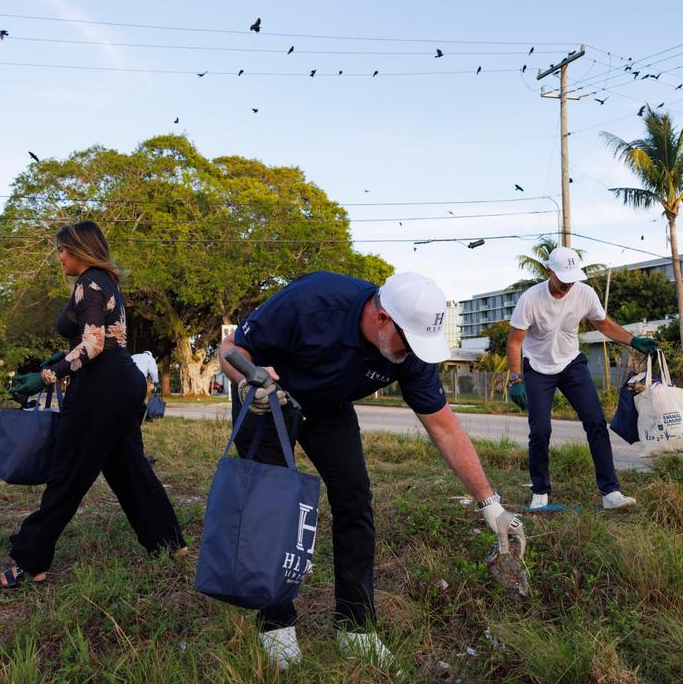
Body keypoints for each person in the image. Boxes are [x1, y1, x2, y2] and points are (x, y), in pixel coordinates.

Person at [219, 270, 525, 670]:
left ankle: (356, 627)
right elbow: (230, 349)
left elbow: (445, 428)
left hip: (329, 407)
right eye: (409, 341)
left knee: (355, 501)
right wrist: (247, 382)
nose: (413, 351)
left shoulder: (409, 355)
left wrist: (491, 504)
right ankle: (275, 623)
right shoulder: (312, 302)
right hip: (268, 396)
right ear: (381, 317)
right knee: (272, 504)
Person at [0, 221, 185, 589]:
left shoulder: (88, 282)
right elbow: (108, 338)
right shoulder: (108, 283)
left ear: (79, 250)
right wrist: (61, 356)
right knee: (129, 469)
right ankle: (170, 545)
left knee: (67, 476)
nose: (58, 257)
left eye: (61, 250)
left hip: (100, 389)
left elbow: (92, 346)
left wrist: (45, 377)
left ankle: (30, 561)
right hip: (123, 384)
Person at [505, 246, 659, 511]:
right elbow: (514, 342)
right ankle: (540, 492)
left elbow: (604, 324)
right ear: (549, 271)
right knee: (540, 430)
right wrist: (516, 379)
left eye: (572, 278)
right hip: (537, 368)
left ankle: (610, 492)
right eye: (562, 278)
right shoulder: (531, 299)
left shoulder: (584, 293)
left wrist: (634, 340)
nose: (567, 285)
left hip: (571, 364)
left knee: (596, 423)